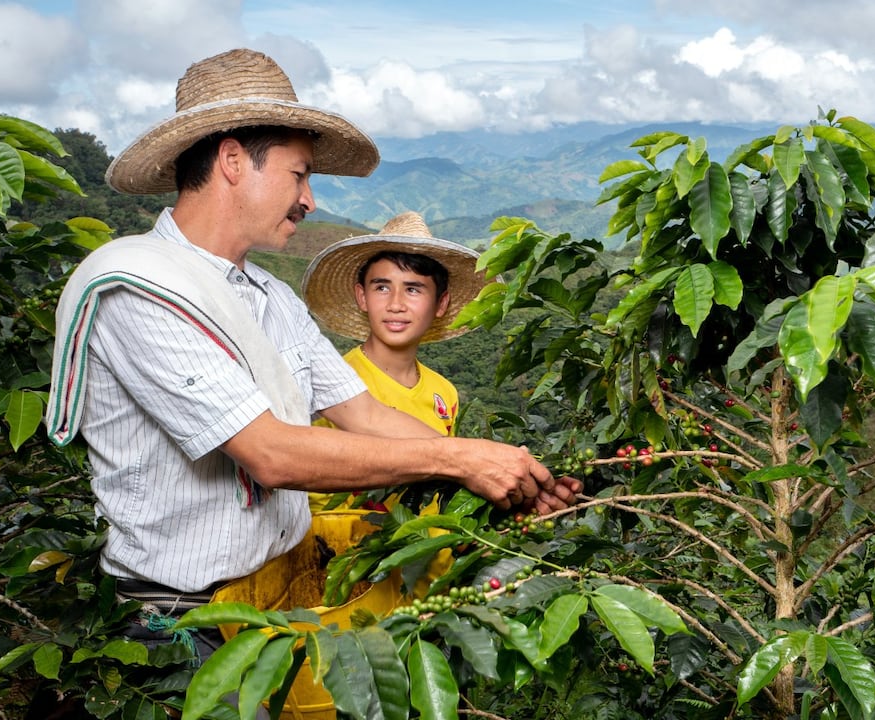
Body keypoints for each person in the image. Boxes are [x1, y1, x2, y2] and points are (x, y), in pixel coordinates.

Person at [45, 47, 579, 651]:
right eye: (299, 174)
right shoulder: (140, 287)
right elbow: (271, 454)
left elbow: (366, 415)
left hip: (275, 600)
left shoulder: (273, 298)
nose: (309, 199)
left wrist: (512, 474)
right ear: (231, 162)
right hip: (180, 622)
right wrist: (463, 462)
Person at [301, 210, 488, 513]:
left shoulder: (444, 393)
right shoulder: (335, 382)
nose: (396, 304)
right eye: (382, 287)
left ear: (441, 303)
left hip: (431, 557)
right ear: (362, 297)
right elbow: (316, 494)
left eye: (413, 289)